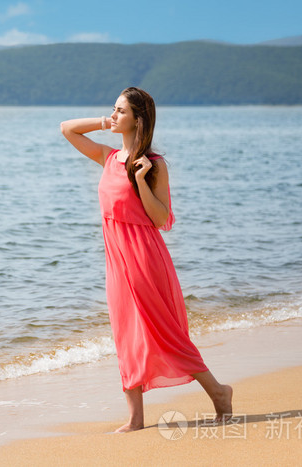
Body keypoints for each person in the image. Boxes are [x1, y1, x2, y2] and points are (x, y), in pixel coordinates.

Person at [60, 87, 232, 433]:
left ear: (138, 120)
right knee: (126, 332)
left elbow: (161, 219)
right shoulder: (107, 158)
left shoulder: (153, 165)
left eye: (120, 111)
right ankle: (135, 418)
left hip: (144, 255)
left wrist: (140, 181)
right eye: (114, 109)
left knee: (164, 332)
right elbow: (67, 128)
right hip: (116, 258)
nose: (114, 115)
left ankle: (218, 392)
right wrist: (102, 120)